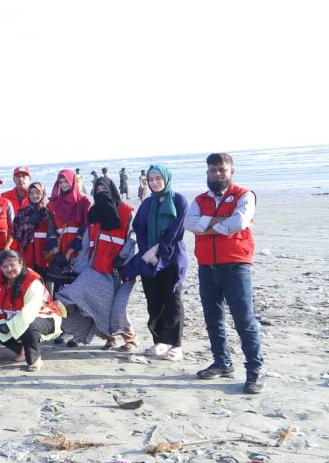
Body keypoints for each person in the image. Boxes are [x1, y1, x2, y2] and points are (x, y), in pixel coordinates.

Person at [185, 152, 264, 394]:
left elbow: (239, 222)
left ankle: (254, 370)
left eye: (222, 169)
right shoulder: (199, 200)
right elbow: (189, 224)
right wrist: (221, 223)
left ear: (231, 172)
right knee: (213, 319)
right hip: (207, 266)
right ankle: (222, 362)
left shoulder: (244, 195)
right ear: (207, 172)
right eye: (212, 170)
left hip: (236, 265)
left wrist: (207, 226)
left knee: (244, 319)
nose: (217, 174)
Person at [54, 177, 136, 349]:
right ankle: (108, 338)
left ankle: (129, 339)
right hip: (94, 267)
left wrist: (123, 258)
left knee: (116, 307)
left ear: (112, 190)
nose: (101, 194)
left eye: (104, 190)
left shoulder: (126, 211)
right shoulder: (94, 212)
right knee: (73, 296)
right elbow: (87, 241)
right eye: (97, 191)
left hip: (115, 268)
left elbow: (132, 237)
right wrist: (80, 266)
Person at [122, 164, 188, 361]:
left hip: (171, 257)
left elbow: (177, 231)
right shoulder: (147, 203)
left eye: (158, 178)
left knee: (172, 299)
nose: (154, 182)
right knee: (154, 300)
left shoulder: (178, 200)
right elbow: (139, 228)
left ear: (166, 178)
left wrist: (156, 249)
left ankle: (176, 344)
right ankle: (159, 341)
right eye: (151, 179)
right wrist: (146, 252)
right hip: (148, 259)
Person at [0, 250, 64, 371]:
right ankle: (21, 350)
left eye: (13, 265)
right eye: (5, 266)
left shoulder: (33, 281)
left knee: (29, 327)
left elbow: (29, 312)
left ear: (21, 263)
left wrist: (10, 326)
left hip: (45, 317)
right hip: (14, 316)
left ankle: (35, 359)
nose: (9, 269)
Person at [44, 169, 90, 291]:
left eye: (66, 181)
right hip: (59, 251)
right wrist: (56, 251)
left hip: (76, 254)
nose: (63, 185)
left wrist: (68, 254)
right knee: (59, 293)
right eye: (61, 182)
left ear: (73, 181)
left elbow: (83, 229)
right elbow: (51, 228)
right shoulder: (52, 204)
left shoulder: (83, 202)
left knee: (76, 291)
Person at [11, 182, 54, 278]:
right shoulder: (22, 213)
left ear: (43, 193)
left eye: (38, 192)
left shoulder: (48, 212)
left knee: (45, 284)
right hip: (26, 254)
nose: (35, 196)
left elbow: (53, 233)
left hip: (44, 255)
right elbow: (14, 234)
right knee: (27, 282)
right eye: (31, 193)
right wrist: (29, 224)